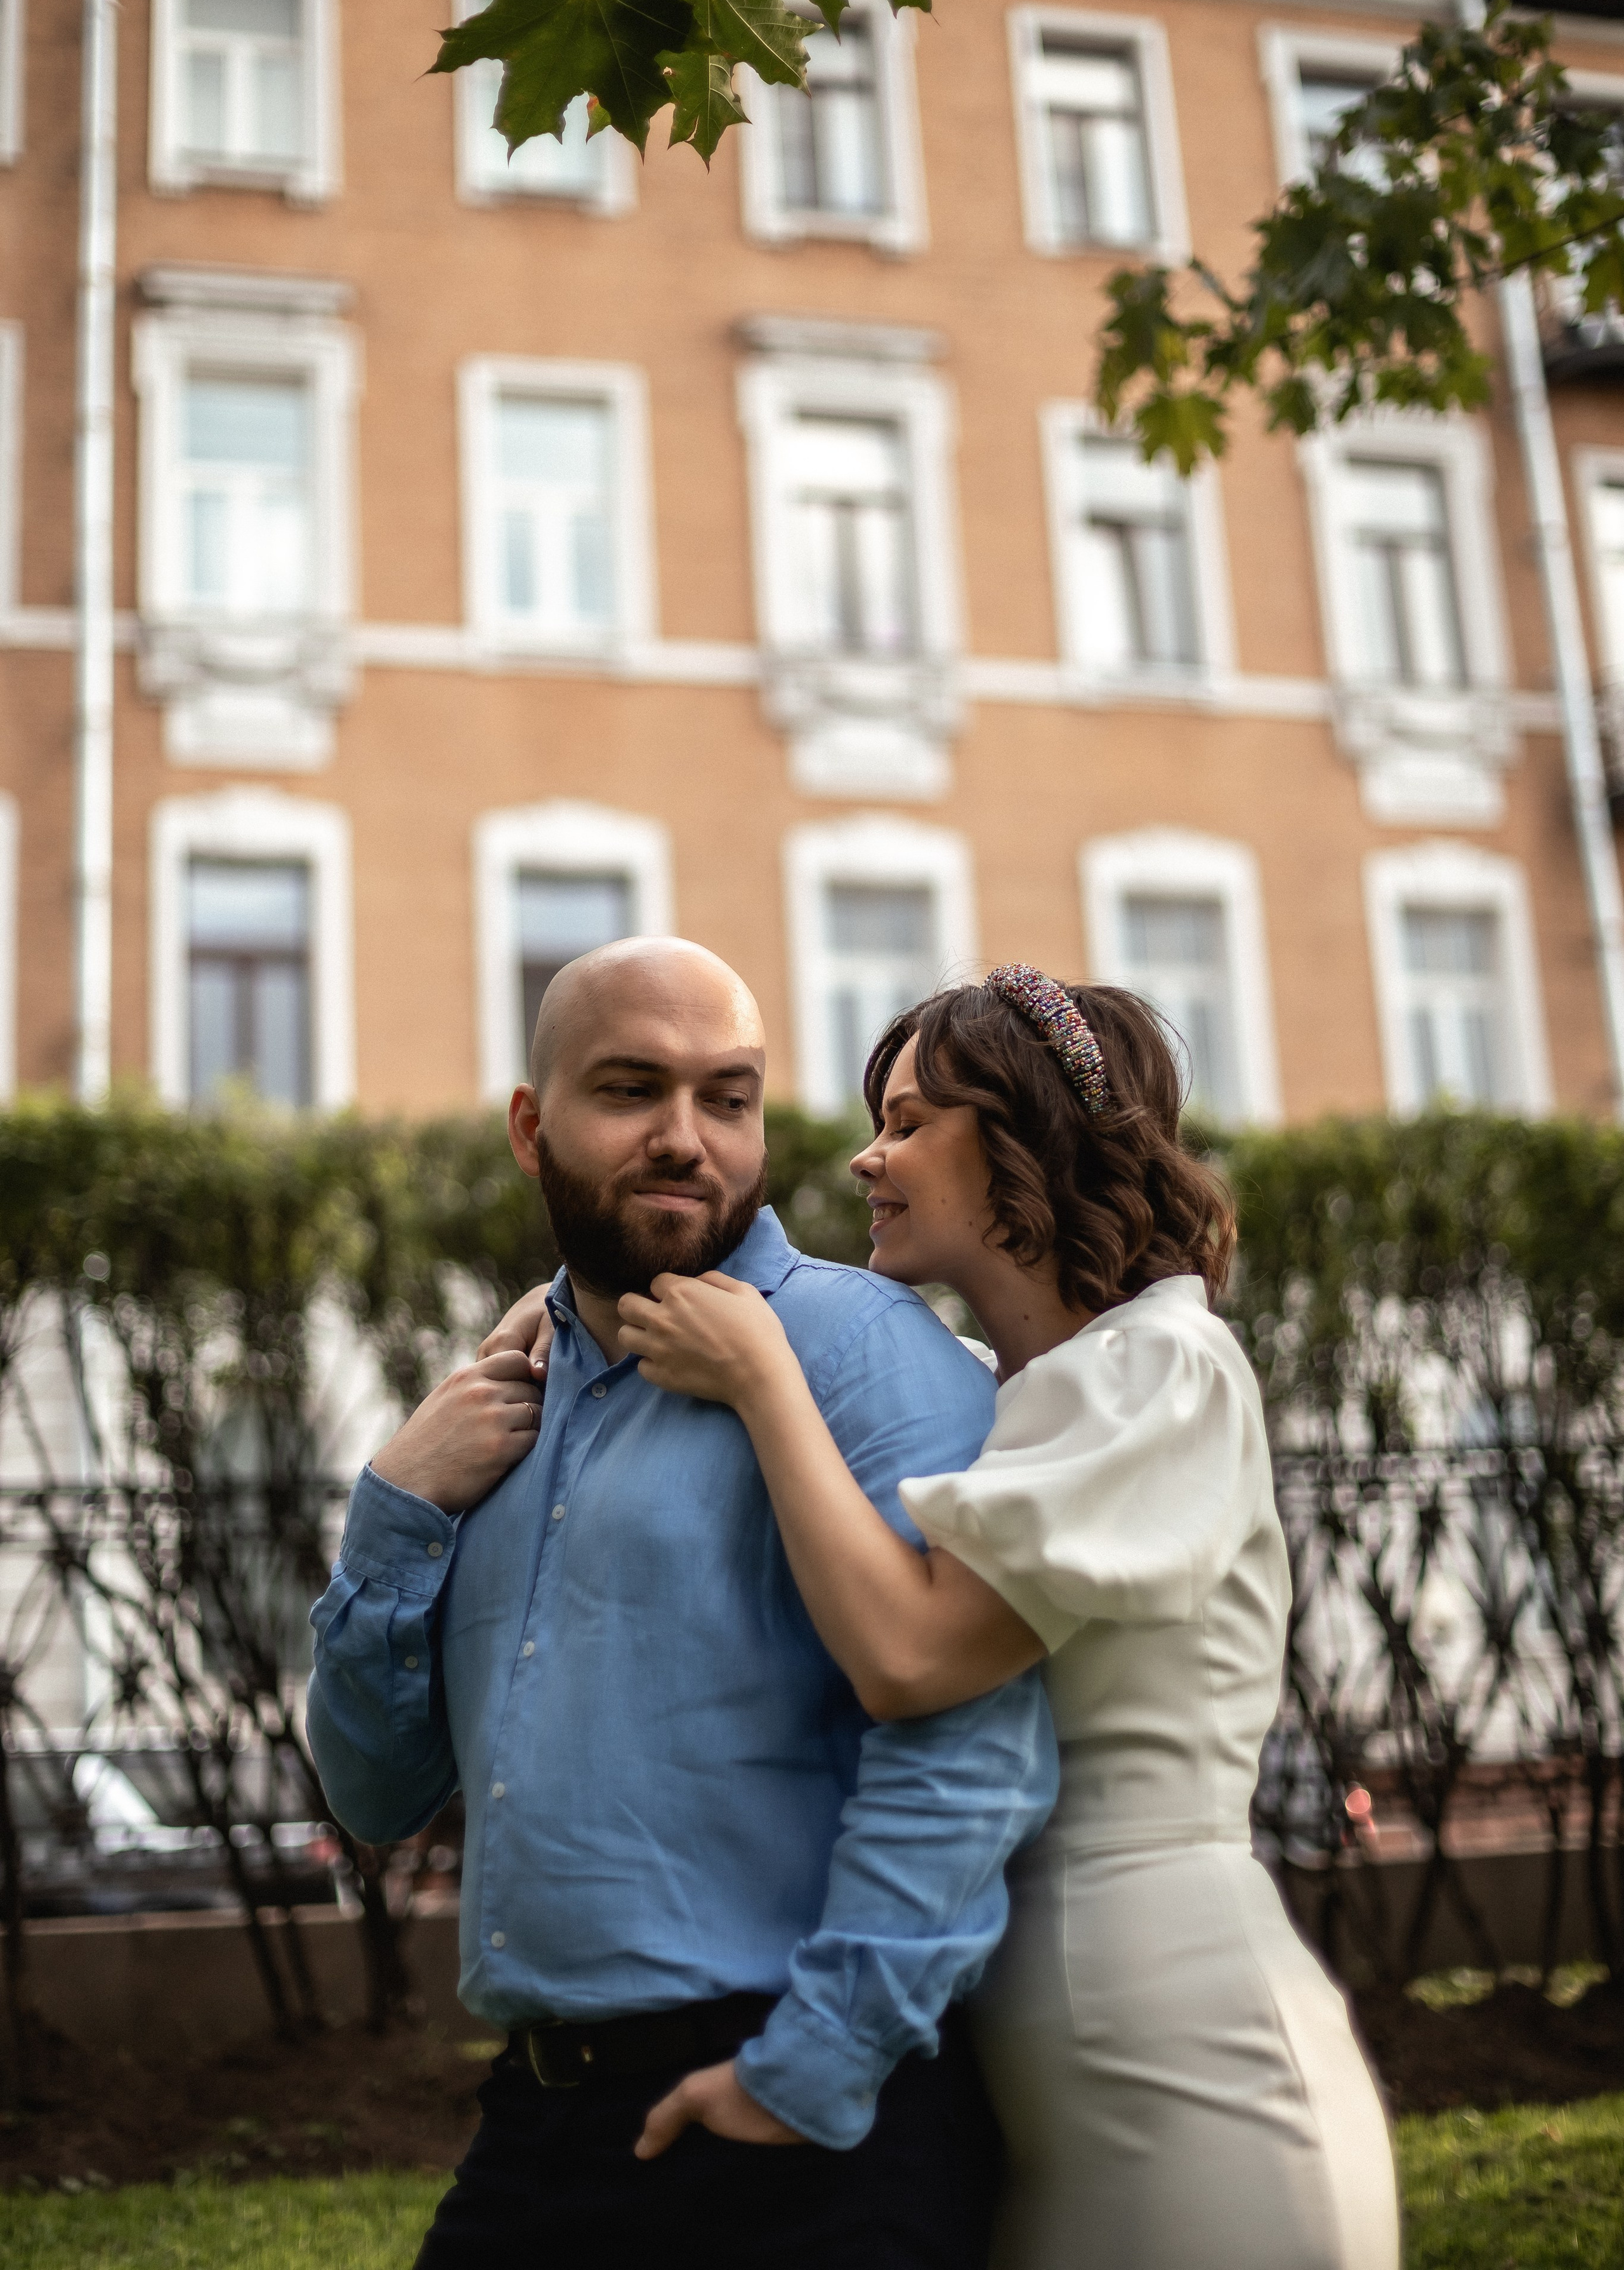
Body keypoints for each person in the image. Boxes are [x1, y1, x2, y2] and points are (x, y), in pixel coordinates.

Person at [495, 964, 1400, 2270]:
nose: (867, 1159)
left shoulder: (1164, 1367)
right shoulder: (1006, 1388)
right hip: (1016, 2068)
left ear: (1025, 1134)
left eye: (910, 1122)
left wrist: (764, 1382)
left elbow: (911, 1657)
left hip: (1178, 2040)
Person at [306, 939, 1058, 2270]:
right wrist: (395, 1509)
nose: (683, 1137)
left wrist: (811, 2068)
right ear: (532, 1129)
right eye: (630, 1090)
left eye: (727, 1096)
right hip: (540, 2119)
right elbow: (375, 1796)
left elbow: (964, 1754)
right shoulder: (500, 1407)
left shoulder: (866, 1356)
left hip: (811, 2119)